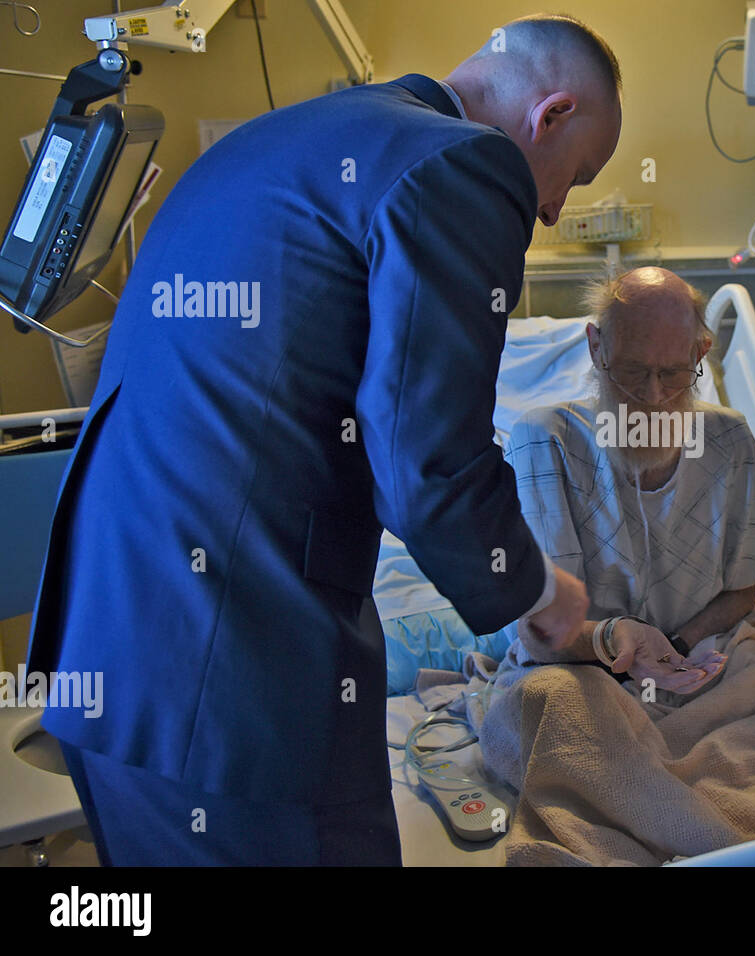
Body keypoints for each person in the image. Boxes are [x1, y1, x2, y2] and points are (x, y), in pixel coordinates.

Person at [24, 14, 622, 865]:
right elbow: (429, 462)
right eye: (579, 177)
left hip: (111, 649)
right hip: (234, 676)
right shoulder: (465, 162)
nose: (558, 209)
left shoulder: (286, 137)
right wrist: (537, 593)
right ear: (551, 114)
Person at [501, 267, 755, 694]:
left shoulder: (729, 440)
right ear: (596, 348)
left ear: (699, 355)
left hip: (698, 653)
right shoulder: (544, 441)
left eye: (673, 373)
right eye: (633, 371)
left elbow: (743, 592)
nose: (653, 397)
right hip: (584, 667)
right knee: (548, 712)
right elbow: (538, 631)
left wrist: (675, 648)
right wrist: (613, 641)